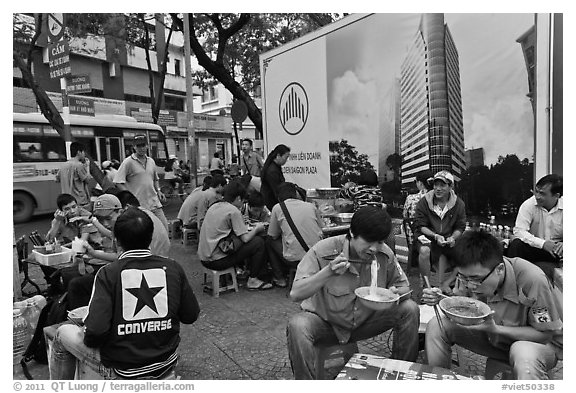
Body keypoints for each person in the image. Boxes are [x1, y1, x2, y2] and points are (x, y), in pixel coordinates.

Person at [50, 207, 200, 379]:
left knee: (62, 333)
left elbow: (95, 333)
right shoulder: (173, 267)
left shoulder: (108, 273)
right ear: (150, 238)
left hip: (124, 370)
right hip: (166, 362)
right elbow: (190, 315)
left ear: (116, 241)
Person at [286, 206, 419, 379]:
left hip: (365, 323)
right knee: (298, 325)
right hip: (328, 324)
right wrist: (328, 272)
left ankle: (401, 374)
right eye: (369, 240)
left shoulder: (385, 255)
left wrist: (394, 293)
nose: (374, 248)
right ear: (352, 232)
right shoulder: (323, 251)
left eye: (379, 242)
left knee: (409, 308)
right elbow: (296, 294)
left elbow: (405, 288)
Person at [423, 230, 562, 380]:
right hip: (494, 338)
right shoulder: (468, 276)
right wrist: (439, 298)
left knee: (522, 351)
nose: (470, 285)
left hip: (538, 345)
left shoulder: (532, 280)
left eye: (475, 279)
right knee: (437, 325)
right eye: (463, 277)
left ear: (499, 269)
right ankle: (438, 381)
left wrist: (496, 329)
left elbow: (545, 334)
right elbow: (460, 301)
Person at [198, 181, 272, 290]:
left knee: (244, 242)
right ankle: (253, 280)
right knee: (258, 242)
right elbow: (245, 238)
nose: (243, 203)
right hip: (216, 261)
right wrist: (257, 229)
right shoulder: (233, 211)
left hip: (203, 257)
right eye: (242, 200)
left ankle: (243, 271)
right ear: (238, 198)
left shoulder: (214, 206)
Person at [413, 170, 466, 294]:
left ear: (450, 186)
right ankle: (427, 287)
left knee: (465, 252)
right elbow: (420, 225)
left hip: (448, 237)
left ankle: (449, 283)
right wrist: (435, 235)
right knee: (425, 251)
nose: (438, 188)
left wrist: (453, 237)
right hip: (428, 236)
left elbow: (460, 226)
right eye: (435, 185)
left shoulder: (459, 204)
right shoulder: (424, 201)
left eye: (442, 185)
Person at [266, 182, 324, 288]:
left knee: (269, 241)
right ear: (296, 194)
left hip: (296, 259)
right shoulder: (311, 206)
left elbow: (273, 235)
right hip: (316, 255)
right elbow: (322, 228)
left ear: (278, 196)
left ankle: (280, 278)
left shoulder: (277, 208)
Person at [507, 174, 563, 280]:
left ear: (556, 196)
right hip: (535, 248)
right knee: (516, 245)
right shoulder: (528, 205)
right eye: (536, 191)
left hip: (558, 251)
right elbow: (519, 231)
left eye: (542, 193)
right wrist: (543, 244)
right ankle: (511, 283)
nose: (537, 196)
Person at [113, 134, 168, 231]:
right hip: (139, 206)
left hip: (154, 203)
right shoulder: (128, 162)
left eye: (143, 145)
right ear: (134, 147)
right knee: (145, 232)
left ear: (147, 146)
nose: (141, 148)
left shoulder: (151, 161)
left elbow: (155, 179)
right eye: (138, 146)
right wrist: (130, 196)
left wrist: (158, 191)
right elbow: (118, 182)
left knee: (164, 228)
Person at [403, 171, 433, 267]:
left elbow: (405, 216)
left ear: (420, 183)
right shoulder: (439, 198)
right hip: (435, 238)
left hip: (414, 239)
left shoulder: (411, 198)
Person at [56, 141, 93, 209]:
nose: (84, 155)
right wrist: (87, 166)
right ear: (79, 152)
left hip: (66, 201)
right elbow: (87, 180)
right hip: (79, 201)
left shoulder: (63, 165)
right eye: (84, 152)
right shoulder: (79, 165)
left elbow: (57, 179)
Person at [261, 144, 291, 210]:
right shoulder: (272, 171)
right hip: (272, 203)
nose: (287, 160)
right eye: (286, 157)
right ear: (278, 156)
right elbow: (277, 191)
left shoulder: (275, 167)